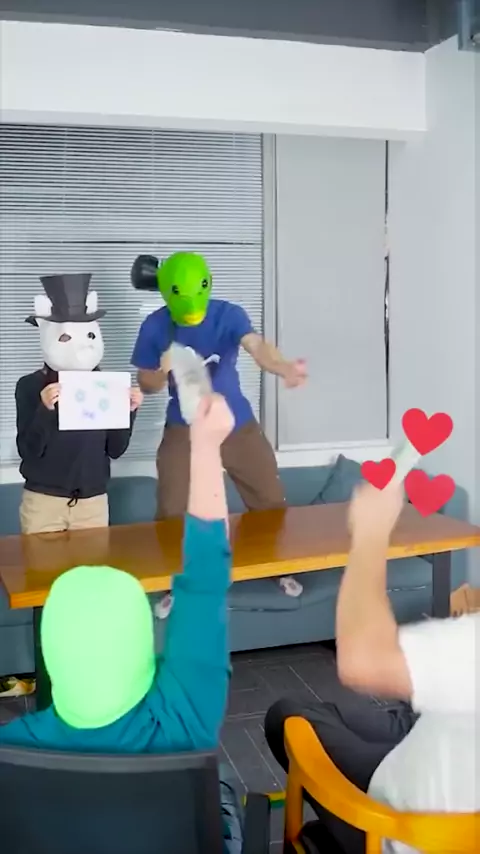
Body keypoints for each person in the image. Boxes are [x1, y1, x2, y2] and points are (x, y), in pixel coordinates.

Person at [0, 393, 243, 853]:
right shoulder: (184, 717)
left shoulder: (13, 748)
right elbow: (206, 578)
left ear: (53, 653)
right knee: (223, 784)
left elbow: (206, 580)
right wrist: (207, 447)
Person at [265, 482, 479, 853]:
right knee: (410, 709)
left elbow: (361, 660)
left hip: (393, 830)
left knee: (287, 715)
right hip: (440, 761)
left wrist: (370, 532)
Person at [131, 251, 308, 614]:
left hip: (236, 423)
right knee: (173, 507)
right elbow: (146, 384)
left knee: (268, 497)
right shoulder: (154, 326)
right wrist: (161, 370)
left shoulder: (229, 314)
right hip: (184, 426)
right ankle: (177, 582)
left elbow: (257, 347)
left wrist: (283, 366)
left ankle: (280, 568)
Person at [15, 273, 143, 535]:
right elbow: (28, 450)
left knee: (91, 563)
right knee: (41, 562)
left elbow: (115, 449)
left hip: (92, 504)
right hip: (44, 503)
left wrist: (129, 411)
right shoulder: (30, 386)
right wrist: (45, 410)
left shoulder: (105, 387)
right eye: (65, 337)